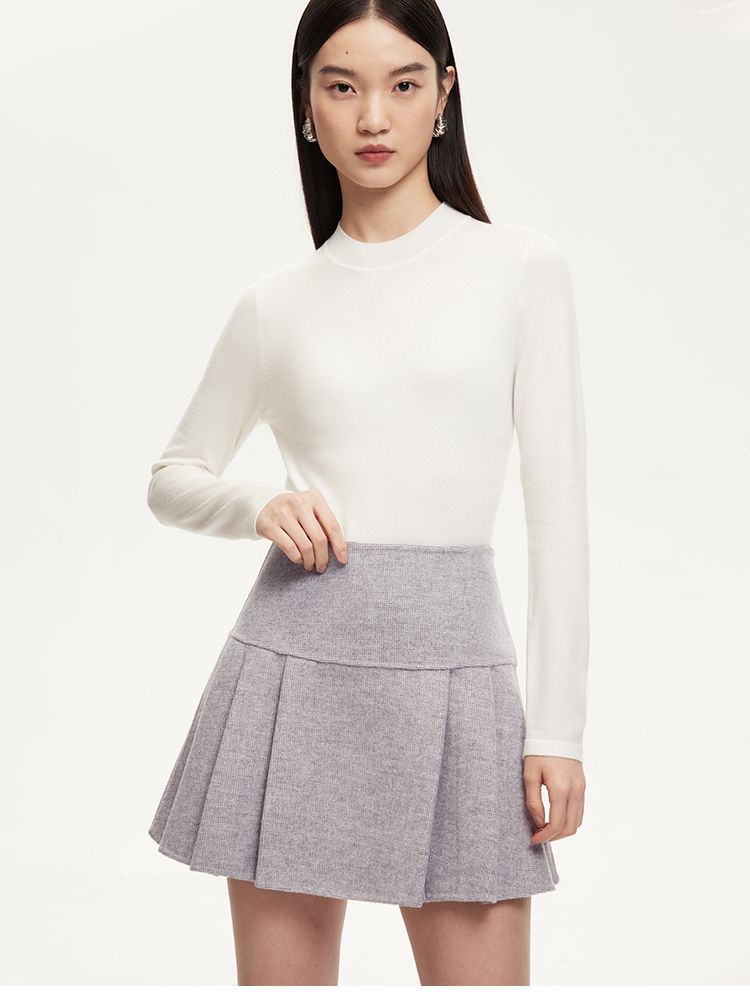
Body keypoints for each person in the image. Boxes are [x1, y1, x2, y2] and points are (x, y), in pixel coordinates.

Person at [145, 0, 589, 987]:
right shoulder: (276, 305)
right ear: (308, 106)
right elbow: (173, 476)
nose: (374, 116)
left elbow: (560, 518)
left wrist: (556, 730)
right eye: (342, 87)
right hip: (292, 670)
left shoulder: (520, 268)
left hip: (460, 674)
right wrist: (257, 505)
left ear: (444, 94)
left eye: (403, 83)